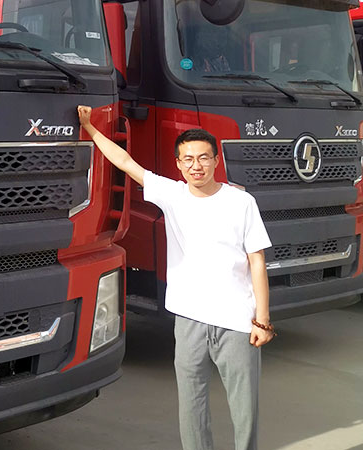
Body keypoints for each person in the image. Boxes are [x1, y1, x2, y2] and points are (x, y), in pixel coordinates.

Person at [77, 105, 275, 450]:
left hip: (236, 321)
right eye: (188, 159)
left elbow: (256, 261)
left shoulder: (241, 202)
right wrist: (91, 129)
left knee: (245, 407)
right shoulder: (172, 195)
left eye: (204, 158)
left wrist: (262, 320)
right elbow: (124, 162)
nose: (196, 165)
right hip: (189, 319)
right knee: (191, 404)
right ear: (179, 165)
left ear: (216, 161)